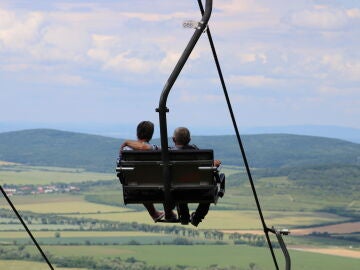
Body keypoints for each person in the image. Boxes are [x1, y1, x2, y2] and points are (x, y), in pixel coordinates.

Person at [119, 121, 177, 222]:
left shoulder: (126, 150)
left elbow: (120, 167)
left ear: (137, 133)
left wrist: (126, 142)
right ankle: (168, 212)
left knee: (140, 181)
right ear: (151, 135)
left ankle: (154, 213)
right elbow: (144, 147)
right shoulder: (155, 149)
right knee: (163, 178)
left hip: (134, 189)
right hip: (158, 188)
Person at [171, 127, 221, 226]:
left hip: (176, 191)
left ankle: (184, 215)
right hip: (198, 191)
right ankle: (197, 217)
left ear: (173, 139)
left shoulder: (169, 154)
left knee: (179, 184)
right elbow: (206, 168)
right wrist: (214, 165)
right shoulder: (195, 152)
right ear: (189, 140)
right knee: (211, 187)